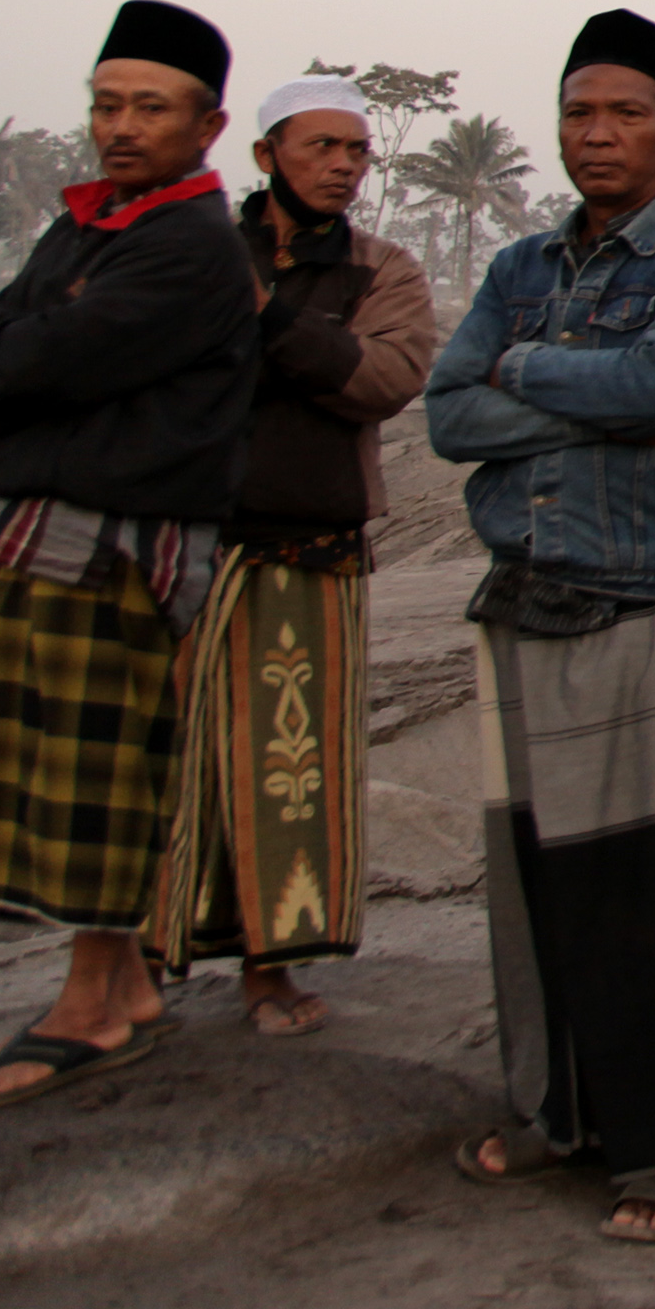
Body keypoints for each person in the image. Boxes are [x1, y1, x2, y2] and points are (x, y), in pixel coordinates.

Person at [427, 9, 655, 1243]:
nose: (599, 133)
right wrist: (601, 404)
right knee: (538, 887)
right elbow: (445, 416)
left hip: (646, 593)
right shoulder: (518, 270)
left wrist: (521, 373)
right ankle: (553, 1112)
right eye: (580, 113)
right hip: (524, 590)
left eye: (627, 113)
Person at [0, 0, 259, 1116]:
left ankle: (89, 1009)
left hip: (117, 553)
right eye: (107, 104)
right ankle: (124, 987)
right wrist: (17, 368)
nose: (121, 126)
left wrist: (17, 373)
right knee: (59, 766)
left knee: (95, 778)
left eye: (149, 108)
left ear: (206, 127)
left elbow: (37, 360)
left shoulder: (189, 245)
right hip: (61, 537)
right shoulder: (90, 226)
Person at [144, 74, 436, 1037]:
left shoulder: (383, 268)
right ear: (266, 153)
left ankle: (270, 969)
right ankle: (146, 959)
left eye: (357, 150)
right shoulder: (195, 249)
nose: (344, 166)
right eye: (321, 146)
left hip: (309, 548)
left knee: (291, 766)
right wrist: (306, 353)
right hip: (182, 539)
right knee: (164, 757)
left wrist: (264, 320)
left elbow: (384, 376)